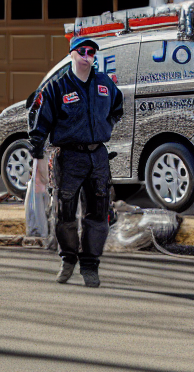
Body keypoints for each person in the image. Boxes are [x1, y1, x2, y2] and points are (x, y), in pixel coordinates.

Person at [28, 35, 124, 288]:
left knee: (98, 214)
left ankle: (90, 266)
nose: (87, 55)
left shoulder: (105, 84)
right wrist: (37, 151)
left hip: (98, 157)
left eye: (91, 52)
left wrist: (105, 126)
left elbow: (117, 108)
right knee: (65, 214)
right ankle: (68, 260)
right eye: (82, 50)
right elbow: (39, 120)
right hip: (68, 157)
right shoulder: (56, 87)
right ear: (71, 53)